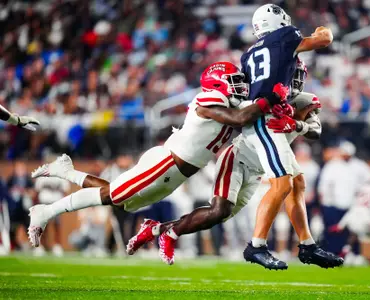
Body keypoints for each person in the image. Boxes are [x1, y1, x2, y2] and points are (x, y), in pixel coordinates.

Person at [27, 61, 289, 248]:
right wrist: (269, 99)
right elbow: (243, 116)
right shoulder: (209, 100)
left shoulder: (228, 100)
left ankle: (66, 171)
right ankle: (45, 212)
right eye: (234, 83)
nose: (240, 88)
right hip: (166, 163)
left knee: (120, 201)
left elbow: (250, 112)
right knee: (111, 195)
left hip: (175, 172)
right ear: (216, 85)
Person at [126, 67, 341, 269]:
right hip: (239, 157)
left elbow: (315, 131)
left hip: (262, 166)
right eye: (289, 73)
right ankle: (260, 245)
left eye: (296, 75)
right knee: (219, 211)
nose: (293, 80)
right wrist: (270, 103)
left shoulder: (306, 100)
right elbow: (241, 116)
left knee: (293, 185)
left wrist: (296, 124)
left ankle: (156, 229)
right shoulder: (260, 95)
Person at [238, 3, 334, 267]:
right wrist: (323, 28)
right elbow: (324, 39)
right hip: (265, 121)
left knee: (297, 182)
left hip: (261, 114)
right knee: (282, 183)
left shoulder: (248, 54)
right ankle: (256, 245)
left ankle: (307, 245)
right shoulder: (286, 36)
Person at [329, 166, 370, 265]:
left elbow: (354, 207)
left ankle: (345, 251)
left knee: (355, 231)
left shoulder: (365, 187)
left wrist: (341, 225)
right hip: (368, 219)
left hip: (353, 218)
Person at [34, 155, 70, 256]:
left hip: (56, 203)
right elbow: (37, 190)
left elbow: (65, 190)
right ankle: (41, 246)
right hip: (44, 202)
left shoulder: (61, 175)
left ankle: (57, 245)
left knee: (57, 224)